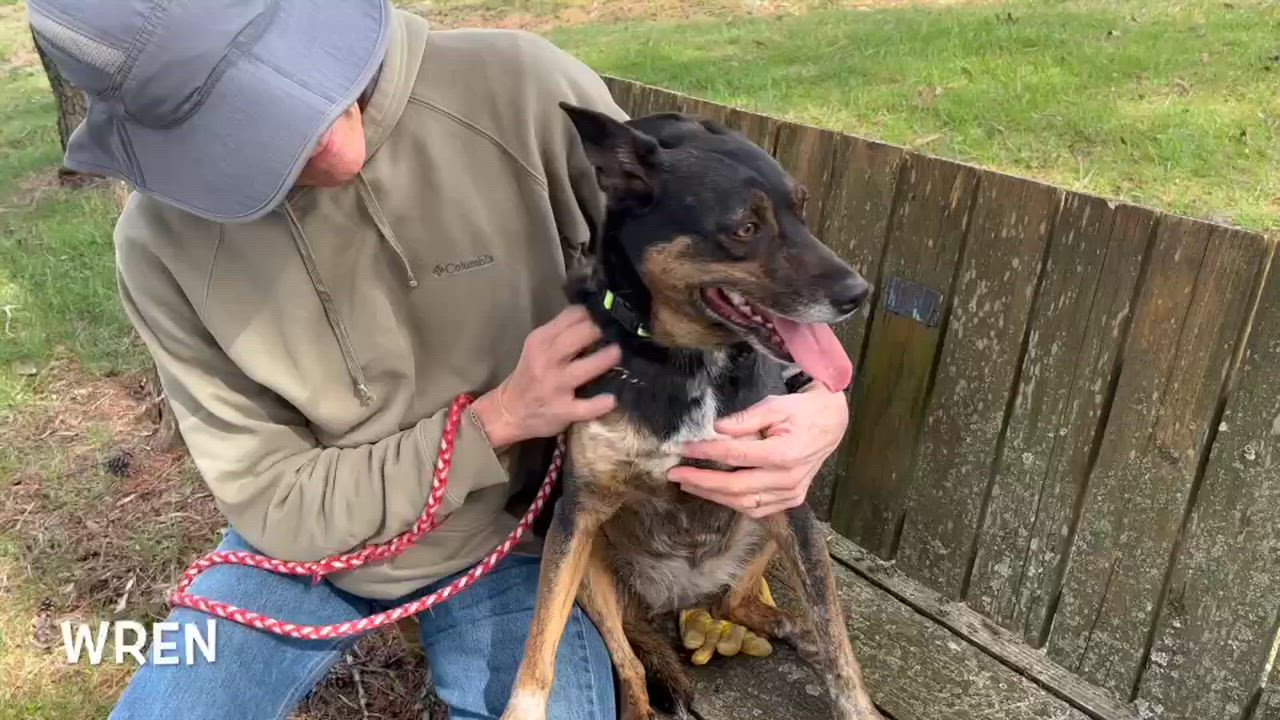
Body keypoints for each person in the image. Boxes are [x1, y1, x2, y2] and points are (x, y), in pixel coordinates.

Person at [27, 1, 853, 718]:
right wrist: (498, 421)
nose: (336, 152)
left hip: (522, 551)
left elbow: (716, 262)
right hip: (304, 560)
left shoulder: (523, 88)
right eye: (252, 138)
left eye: (307, 90)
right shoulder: (157, 250)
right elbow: (275, 502)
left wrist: (815, 398)